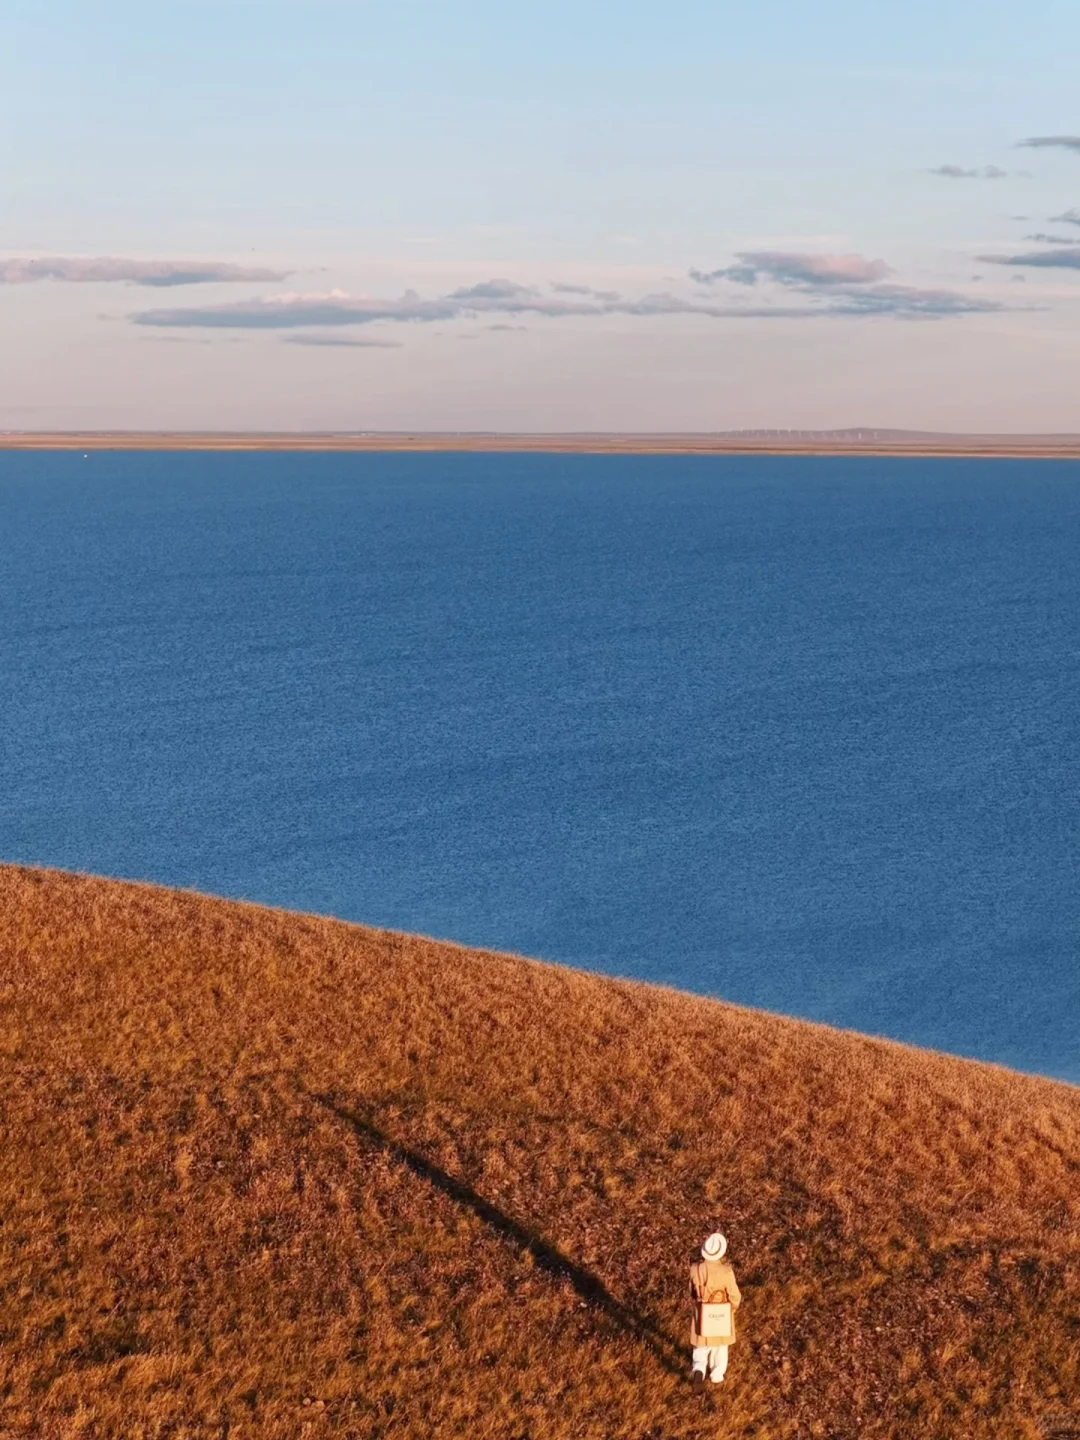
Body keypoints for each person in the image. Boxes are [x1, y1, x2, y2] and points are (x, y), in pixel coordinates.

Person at [689, 1231, 741, 1385]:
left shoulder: (695, 1269)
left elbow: (691, 1290)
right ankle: (717, 1375)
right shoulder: (726, 1272)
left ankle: (699, 1368)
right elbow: (735, 1295)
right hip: (721, 1311)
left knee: (701, 1343)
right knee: (720, 1346)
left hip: (702, 1309)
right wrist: (732, 1308)